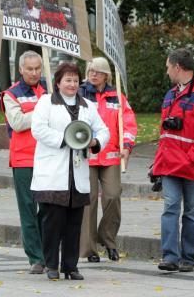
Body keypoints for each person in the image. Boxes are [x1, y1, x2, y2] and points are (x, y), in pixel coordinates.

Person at [31, 62, 109, 281]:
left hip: (77, 174)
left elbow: (104, 130)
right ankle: (51, 264)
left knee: (74, 224)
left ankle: (70, 265)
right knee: (52, 222)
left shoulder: (87, 105)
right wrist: (64, 140)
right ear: (58, 82)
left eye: (75, 80)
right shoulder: (47, 102)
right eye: (68, 80)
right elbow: (38, 129)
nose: (72, 84)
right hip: (53, 173)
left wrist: (94, 141)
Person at [152, 48, 194, 273]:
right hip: (170, 164)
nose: (166, 71)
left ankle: (188, 258)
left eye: (168, 67)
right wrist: (157, 163)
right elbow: (164, 134)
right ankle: (170, 257)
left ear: (177, 67)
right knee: (170, 207)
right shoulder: (170, 94)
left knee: (191, 213)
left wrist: (190, 157)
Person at [79, 57, 138, 263]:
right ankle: (90, 249)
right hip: (87, 156)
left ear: (106, 75)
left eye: (97, 71)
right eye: (90, 71)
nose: (93, 74)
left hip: (111, 155)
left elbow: (129, 124)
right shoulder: (80, 94)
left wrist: (127, 146)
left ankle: (108, 239)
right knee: (89, 201)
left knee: (112, 196)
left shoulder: (117, 96)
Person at [0, 51, 46, 274]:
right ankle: (36, 257)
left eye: (38, 68)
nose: (34, 73)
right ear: (21, 70)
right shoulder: (11, 94)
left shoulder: (50, 89)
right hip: (24, 158)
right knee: (28, 209)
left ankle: (48, 251)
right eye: (30, 69)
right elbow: (17, 122)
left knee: (49, 208)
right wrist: (44, 112)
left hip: (48, 157)